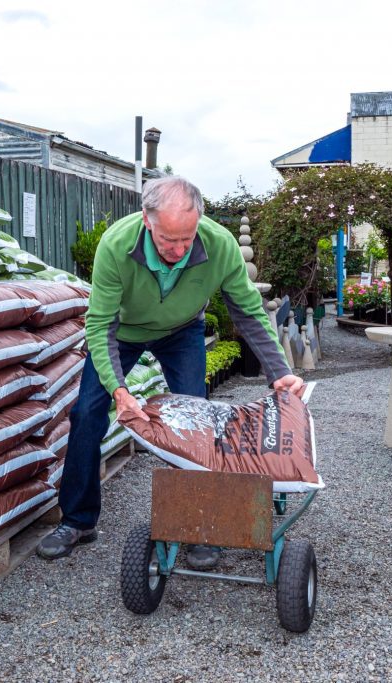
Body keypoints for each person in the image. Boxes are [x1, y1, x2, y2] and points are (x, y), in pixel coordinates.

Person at [37, 176, 304, 565]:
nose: (179, 250)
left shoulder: (220, 245)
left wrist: (278, 369)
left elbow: (248, 311)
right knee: (86, 414)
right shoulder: (116, 245)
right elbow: (99, 325)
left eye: (187, 238)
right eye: (168, 241)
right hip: (123, 332)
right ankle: (78, 520)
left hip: (182, 332)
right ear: (148, 220)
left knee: (196, 421)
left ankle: (198, 524)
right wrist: (120, 390)